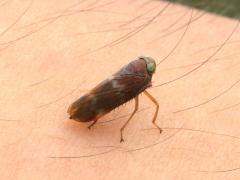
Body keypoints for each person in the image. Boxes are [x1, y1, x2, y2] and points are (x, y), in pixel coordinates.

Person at [1, 0, 239, 179]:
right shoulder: (143, 80)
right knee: (144, 105)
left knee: (111, 92)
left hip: (107, 91)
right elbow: (134, 104)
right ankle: (87, 113)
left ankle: (84, 111)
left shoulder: (134, 69)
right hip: (105, 98)